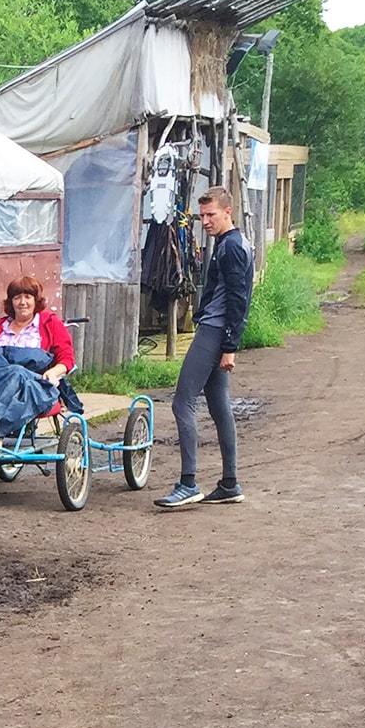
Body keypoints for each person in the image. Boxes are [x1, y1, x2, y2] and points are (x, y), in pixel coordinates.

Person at [156, 186, 251, 509]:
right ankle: (229, 482)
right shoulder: (228, 244)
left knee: (182, 401)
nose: (206, 221)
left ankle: (188, 482)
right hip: (215, 329)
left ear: (228, 212)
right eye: (202, 216)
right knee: (219, 406)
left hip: (214, 332)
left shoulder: (232, 248)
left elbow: (239, 301)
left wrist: (229, 346)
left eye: (211, 215)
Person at [0, 275, 76, 384]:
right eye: (17, 298)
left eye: (27, 297)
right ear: (11, 302)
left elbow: (66, 358)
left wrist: (53, 372)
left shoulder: (50, 323)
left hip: (34, 391)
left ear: (36, 300)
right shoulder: (0, 326)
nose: (22, 302)